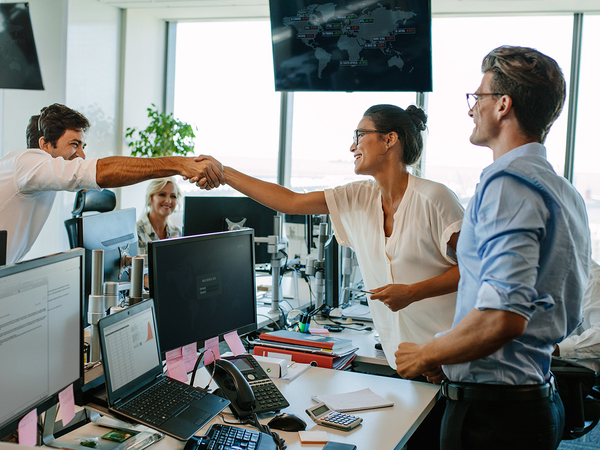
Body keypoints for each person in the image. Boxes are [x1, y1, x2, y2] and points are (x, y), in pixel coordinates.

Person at [394, 46, 591, 450]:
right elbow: (548, 314)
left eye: (478, 97)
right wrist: (453, 357)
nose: (472, 109)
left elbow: (501, 319)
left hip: (493, 420)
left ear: (503, 105)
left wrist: (429, 353)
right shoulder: (562, 189)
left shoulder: (507, 185)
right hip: (532, 400)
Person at [196, 104, 464, 369]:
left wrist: (413, 293)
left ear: (389, 139)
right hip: (404, 361)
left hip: (450, 358)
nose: (352, 147)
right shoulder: (358, 197)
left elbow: (478, 272)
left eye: (359, 135)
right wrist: (223, 173)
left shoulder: (435, 199)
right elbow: (290, 201)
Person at [0, 103, 224, 265]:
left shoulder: (38, 177)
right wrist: (178, 164)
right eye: (74, 144)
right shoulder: (26, 163)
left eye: (83, 146)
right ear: (45, 145)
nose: (81, 155)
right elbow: (95, 172)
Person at [137, 177, 182, 256]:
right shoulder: (136, 232)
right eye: (162, 194)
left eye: (173, 196)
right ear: (150, 198)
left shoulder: (177, 232)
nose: (168, 201)